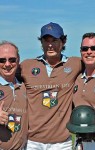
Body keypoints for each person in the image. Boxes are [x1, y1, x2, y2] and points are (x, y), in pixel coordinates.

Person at [19, 22, 83, 150]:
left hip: (62, 142)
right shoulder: (26, 66)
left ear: (63, 41)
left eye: (54, 40)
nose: (50, 45)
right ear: (41, 42)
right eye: (46, 40)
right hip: (32, 142)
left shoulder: (76, 64)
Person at [0, 41, 28, 150]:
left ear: (18, 59)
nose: (7, 64)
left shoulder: (25, 86)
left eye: (12, 59)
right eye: (2, 60)